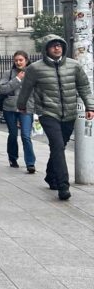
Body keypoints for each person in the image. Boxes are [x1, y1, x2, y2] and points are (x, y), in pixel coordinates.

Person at [16, 34, 94, 200]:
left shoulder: (74, 66)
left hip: (70, 113)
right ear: (46, 49)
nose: (57, 48)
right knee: (57, 145)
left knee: (60, 146)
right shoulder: (35, 68)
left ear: (63, 48)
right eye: (53, 45)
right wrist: (21, 106)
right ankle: (63, 186)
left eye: (59, 45)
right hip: (48, 112)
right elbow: (26, 89)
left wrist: (90, 106)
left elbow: (84, 87)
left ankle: (50, 176)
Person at [0, 50, 36, 173]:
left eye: (21, 60)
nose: (18, 62)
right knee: (13, 134)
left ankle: (30, 163)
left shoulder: (33, 73)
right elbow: (3, 89)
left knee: (26, 135)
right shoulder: (8, 73)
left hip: (26, 108)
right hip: (10, 107)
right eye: (16, 60)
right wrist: (17, 79)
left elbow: (38, 91)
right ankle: (12, 158)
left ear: (26, 60)